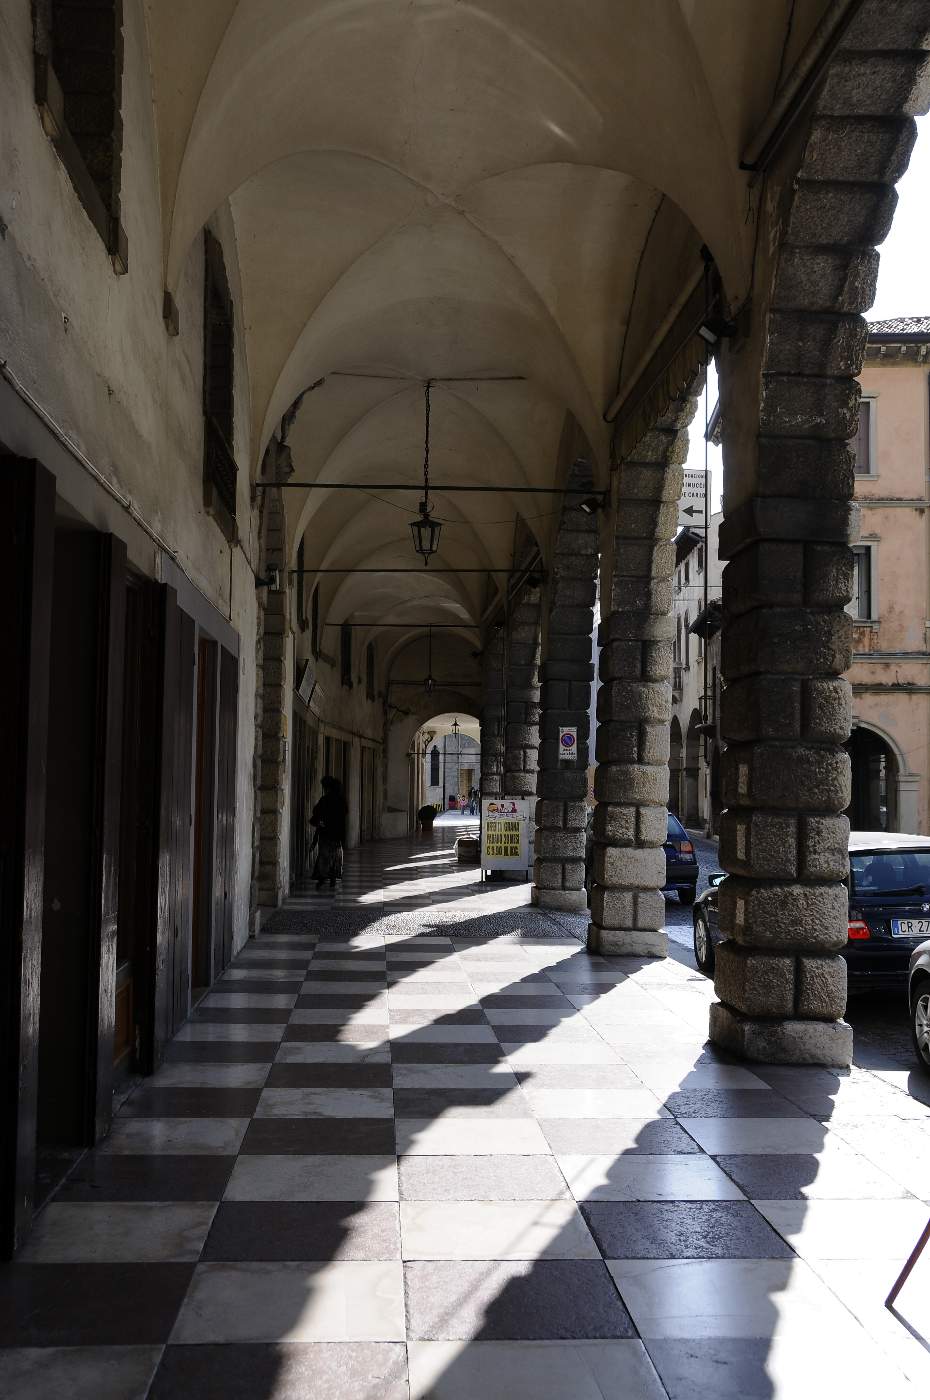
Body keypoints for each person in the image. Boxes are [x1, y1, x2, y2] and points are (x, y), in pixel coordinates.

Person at [310, 775, 347, 890]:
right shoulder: (341, 800)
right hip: (337, 834)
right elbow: (344, 813)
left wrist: (320, 822)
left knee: (324, 856)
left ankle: (322, 879)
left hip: (326, 833)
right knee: (335, 856)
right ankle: (332, 879)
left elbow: (316, 812)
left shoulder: (325, 799)